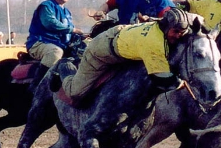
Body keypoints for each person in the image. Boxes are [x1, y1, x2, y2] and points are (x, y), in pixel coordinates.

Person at [51, 8, 189, 105]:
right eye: (175, 31)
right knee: (75, 92)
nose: (178, 35)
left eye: (182, 32)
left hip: (122, 41)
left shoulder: (161, 24)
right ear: (166, 27)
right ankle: (64, 67)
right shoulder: (155, 44)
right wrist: (180, 83)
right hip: (101, 51)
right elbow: (161, 78)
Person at [26, 0, 84, 91]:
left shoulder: (67, 12)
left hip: (61, 44)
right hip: (40, 42)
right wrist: (73, 30)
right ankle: (37, 86)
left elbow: (69, 33)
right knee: (55, 52)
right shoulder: (46, 6)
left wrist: (80, 36)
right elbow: (50, 24)